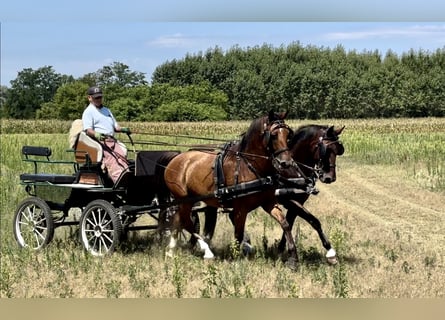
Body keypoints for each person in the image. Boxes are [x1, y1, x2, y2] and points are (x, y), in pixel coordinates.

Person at [82, 86, 131, 183]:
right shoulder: (88, 112)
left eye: (100, 97)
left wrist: (124, 129)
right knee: (112, 159)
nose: (98, 99)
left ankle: (128, 177)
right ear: (89, 98)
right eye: (96, 98)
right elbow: (88, 130)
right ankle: (119, 181)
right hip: (99, 142)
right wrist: (96, 134)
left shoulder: (107, 111)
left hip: (112, 140)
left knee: (122, 157)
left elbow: (116, 127)